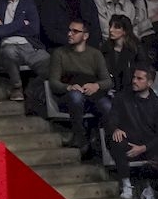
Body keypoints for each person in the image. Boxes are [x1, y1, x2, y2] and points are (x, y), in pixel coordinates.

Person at [48, 18, 113, 153]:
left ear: (85, 36)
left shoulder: (95, 54)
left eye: (75, 31)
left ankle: (110, 145)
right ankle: (80, 137)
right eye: (69, 30)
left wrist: (96, 85)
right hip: (69, 95)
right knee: (76, 97)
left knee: (107, 106)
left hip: (92, 94)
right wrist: (68, 87)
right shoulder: (59, 53)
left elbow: (108, 81)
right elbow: (53, 82)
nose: (69, 34)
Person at [106, 65, 158, 199]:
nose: (134, 81)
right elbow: (112, 118)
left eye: (139, 78)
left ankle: (152, 190)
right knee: (117, 139)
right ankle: (126, 184)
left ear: (149, 83)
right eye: (134, 77)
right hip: (127, 142)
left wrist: (143, 148)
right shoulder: (122, 98)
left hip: (148, 145)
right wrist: (115, 128)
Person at [0, 0, 50, 102]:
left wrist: (5, 27)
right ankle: (16, 88)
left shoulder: (28, 2)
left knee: (50, 62)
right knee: (9, 52)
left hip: (28, 45)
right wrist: (21, 23)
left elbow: (34, 29)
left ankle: (31, 89)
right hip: (7, 45)